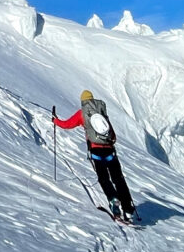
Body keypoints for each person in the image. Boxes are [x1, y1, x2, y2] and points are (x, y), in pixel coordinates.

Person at [54, 89, 136, 221]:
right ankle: (128, 209)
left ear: (83, 101)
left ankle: (113, 199)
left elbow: (67, 124)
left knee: (104, 178)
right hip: (110, 151)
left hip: (96, 151)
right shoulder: (101, 112)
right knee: (118, 179)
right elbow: (113, 136)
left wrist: (55, 121)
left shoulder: (83, 114)